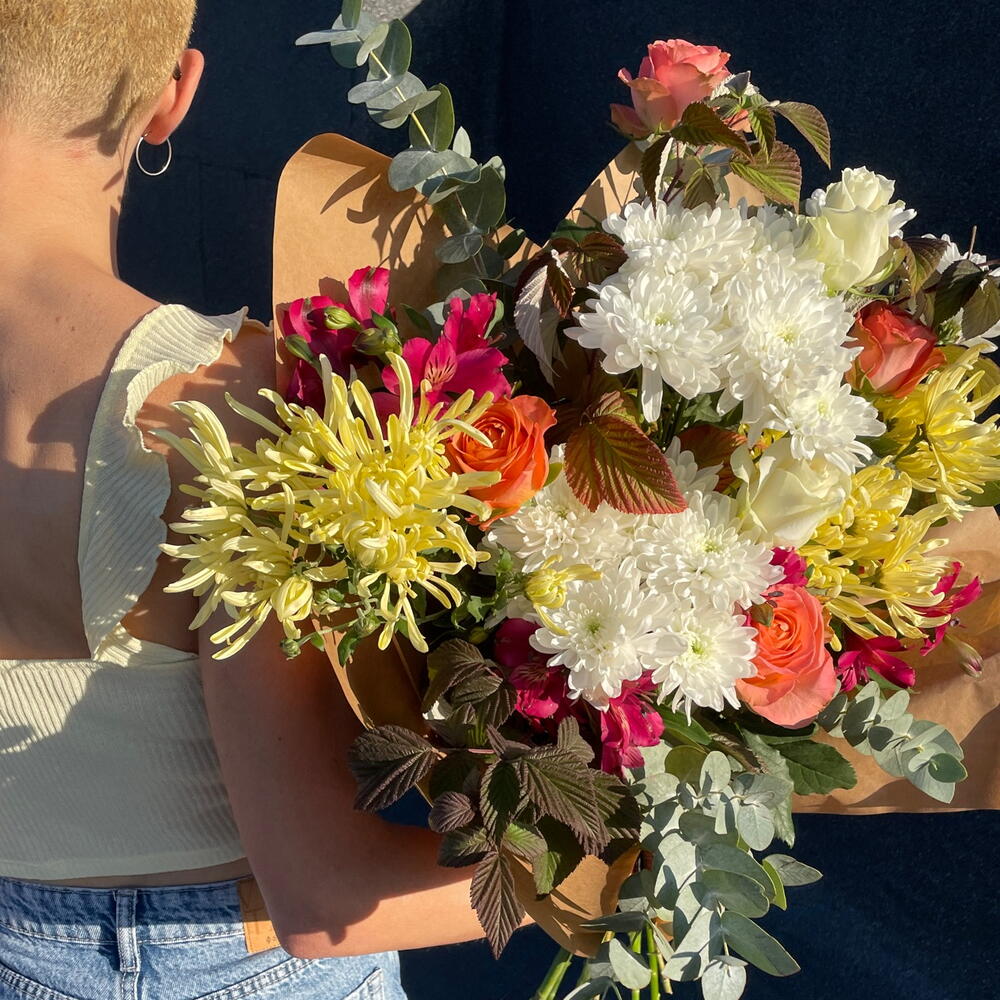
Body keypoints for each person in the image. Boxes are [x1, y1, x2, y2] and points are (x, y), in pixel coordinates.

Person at [0, 3, 491, 997]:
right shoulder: (222, 403)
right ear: (171, 94)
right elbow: (325, 897)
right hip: (235, 958)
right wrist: (637, 864)